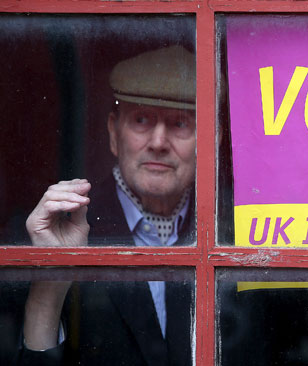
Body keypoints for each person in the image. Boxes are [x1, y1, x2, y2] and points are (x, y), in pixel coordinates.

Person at [18, 45, 196, 366]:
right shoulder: (63, 226)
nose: (158, 142)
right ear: (114, 132)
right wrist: (50, 280)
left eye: (179, 124)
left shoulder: (237, 230)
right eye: (141, 119)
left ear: (214, 139)